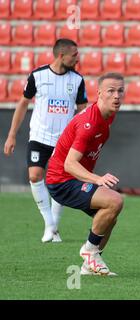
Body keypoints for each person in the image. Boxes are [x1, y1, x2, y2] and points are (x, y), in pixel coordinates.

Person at [3, 39, 88, 243]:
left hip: (64, 140)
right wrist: (12, 134)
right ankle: (49, 225)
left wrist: (82, 135)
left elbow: (83, 109)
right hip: (40, 136)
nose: (78, 58)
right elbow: (23, 104)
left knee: (61, 180)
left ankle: (55, 225)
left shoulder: (77, 80)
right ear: (61, 55)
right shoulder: (37, 75)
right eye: (74, 55)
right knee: (34, 176)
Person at [46, 72, 125, 276]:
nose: (117, 96)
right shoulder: (88, 124)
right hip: (61, 180)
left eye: (120, 91)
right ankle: (89, 252)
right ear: (99, 93)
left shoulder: (109, 115)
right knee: (114, 201)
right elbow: (70, 164)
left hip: (72, 177)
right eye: (111, 91)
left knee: (110, 217)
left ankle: (88, 266)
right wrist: (98, 179)